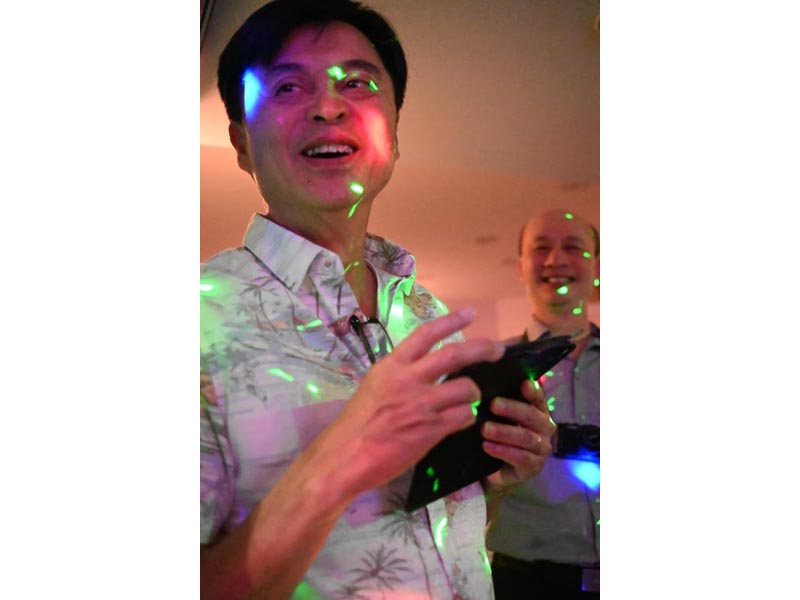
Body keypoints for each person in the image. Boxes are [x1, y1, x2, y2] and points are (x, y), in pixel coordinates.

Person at [200, 2, 555, 598]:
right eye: (287, 86)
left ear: (392, 131)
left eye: (358, 83)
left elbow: (444, 539)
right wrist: (337, 461)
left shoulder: (429, 315)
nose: (328, 107)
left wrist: (492, 477)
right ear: (241, 142)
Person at [486, 208, 601, 598]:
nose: (556, 260)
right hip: (524, 583)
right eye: (541, 248)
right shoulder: (492, 367)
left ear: (597, 266)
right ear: (521, 267)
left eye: (573, 247)